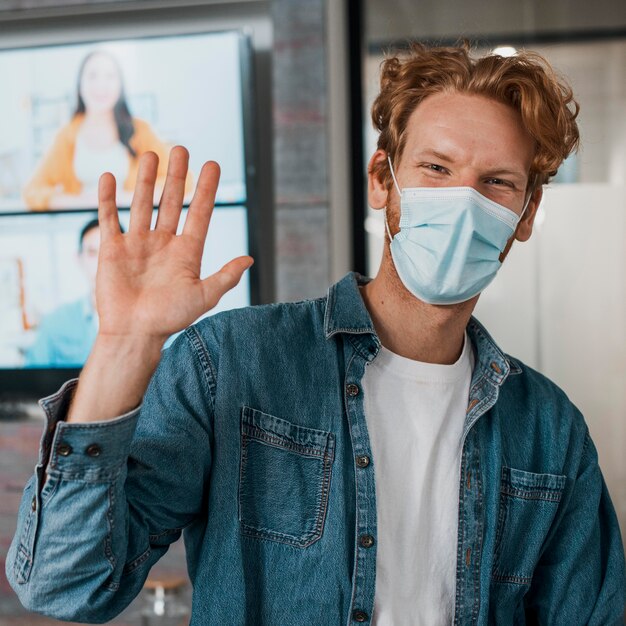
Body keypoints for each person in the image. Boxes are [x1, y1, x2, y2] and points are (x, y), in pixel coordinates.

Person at [7, 44, 626, 625]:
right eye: (436, 167)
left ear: (525, 214)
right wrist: (124, 343)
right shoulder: (232, 366)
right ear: (383, 180)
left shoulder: (550, 431)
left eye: (497, 183)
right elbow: (66, 585)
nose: (464, 201)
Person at [22, 50, 192, 211]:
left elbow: (183, 181)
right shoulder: (67, 136)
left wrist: (130, 199)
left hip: (130, 229)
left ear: (120, 85)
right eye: (92, 76)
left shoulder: (140, 131)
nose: (101, 85)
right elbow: (33, 191)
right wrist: (78, 202)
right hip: (85, 230)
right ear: (80, 85)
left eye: (110, 76)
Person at [25, 218, 106, 367]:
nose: (102, 261)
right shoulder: (55, 323)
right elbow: (31, 385)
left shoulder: (151, 322)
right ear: (79, 258)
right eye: (92, 253)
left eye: (110, 250)